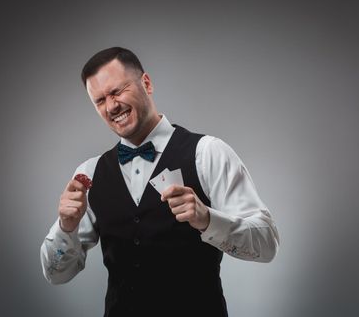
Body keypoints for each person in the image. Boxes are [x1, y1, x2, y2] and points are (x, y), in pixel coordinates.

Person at [40, 47, 280, 317]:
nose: (111, 106)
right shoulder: (90, 173)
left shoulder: (208, 153)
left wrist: (208, 220)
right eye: (99, 100)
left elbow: (267, 244)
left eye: (117, 91)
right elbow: (56, 275)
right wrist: (66, 227)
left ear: (146, 83)